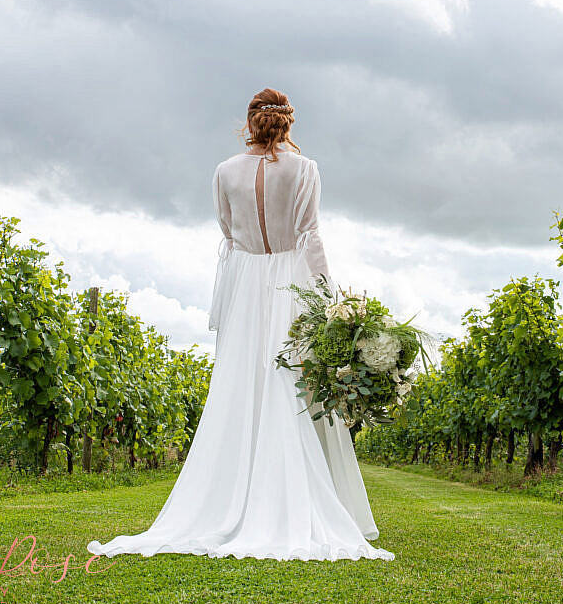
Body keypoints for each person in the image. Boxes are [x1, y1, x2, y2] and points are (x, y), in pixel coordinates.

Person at [86, 88, 394, 561]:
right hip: (291, 282)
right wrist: (330, 299)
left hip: (247, 283)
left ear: (249, 123)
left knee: (243, 389)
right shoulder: (304, 169)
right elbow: (310, 236)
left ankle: (232, 500)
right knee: (293, 388)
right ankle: (297, 503)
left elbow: (228, 236)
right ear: (287, 124)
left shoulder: (224, 172)